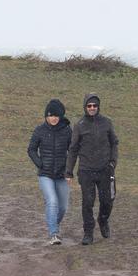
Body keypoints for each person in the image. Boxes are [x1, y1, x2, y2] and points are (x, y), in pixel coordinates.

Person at [66, 92, 119, 245]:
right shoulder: (79, 125)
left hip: (105, 170)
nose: (92, 108)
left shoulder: (107, 122)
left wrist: (112, 162)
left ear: (98, 107)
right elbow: (73, 149)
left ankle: (103, 221)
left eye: (95, 105)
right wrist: (69, 172)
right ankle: (88, 232)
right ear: (85, 107)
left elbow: (114, 143)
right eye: (89, 105)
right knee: (88, 202)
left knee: (107, 201)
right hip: (86, 171)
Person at [28, 99, 72, 245]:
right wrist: (40, 163)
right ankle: (54, 234)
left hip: (61, 175)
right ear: (46, 116)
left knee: (63, 207)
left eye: (56, 115)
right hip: (45, 175)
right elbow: (31, 149)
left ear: (60, 116)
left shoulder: (67, 131)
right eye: (50, 115)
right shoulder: (39, 130)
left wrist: (69, 172)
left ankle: (54, 223)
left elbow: (72, 151)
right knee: (52, 202)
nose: (53, 118)